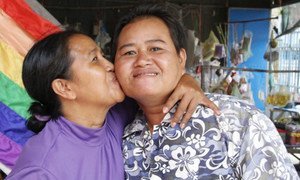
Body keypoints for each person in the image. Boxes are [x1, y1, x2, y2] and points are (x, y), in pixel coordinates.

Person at [113, 4, 299, 180]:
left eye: (155, 48)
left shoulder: (237, 121)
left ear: (181, 58)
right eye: (129, 52)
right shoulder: (123, 136)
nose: (142, 60)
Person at [6, 31, 218, 179]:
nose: (110, 65)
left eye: (103, 55)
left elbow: (155, 84)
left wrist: (186, 80)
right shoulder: (42, 169)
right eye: (94, 60)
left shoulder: (116, 112)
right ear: (64, 87)